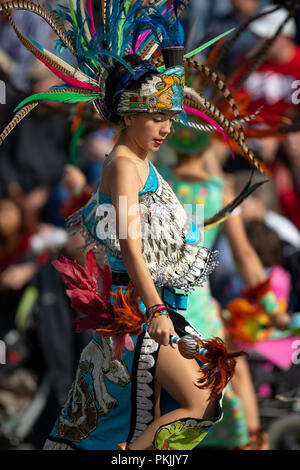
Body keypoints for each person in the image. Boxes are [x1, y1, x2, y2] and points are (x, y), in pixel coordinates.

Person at [0, 0, 273, 451]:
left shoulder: (140, 163)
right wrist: (157, 311)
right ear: (128, 115)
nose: (165, 127)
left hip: (149, 305)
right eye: (155, 117)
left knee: (154, 412)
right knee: (196, 401)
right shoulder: (125, 165)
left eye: (169, 117)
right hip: (139, 308)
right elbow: (128, 243)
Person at [158, 119, 290, 449]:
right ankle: (249, 443)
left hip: (153, 301)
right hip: (197, 307)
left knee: (161, 390)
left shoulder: (157, 183)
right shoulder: (217, 190)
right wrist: (274, 311)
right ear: (209, 143)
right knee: (233, 375)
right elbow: (245, 256)